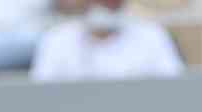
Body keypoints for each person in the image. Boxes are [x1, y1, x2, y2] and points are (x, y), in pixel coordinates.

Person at [30, 0, 184, 82]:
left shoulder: (152, 36)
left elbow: (174, 89)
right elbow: (40, 97)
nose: (103, 5)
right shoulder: (56, 40)